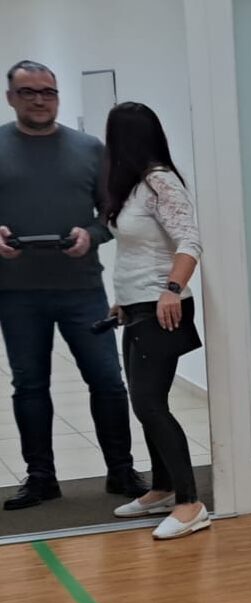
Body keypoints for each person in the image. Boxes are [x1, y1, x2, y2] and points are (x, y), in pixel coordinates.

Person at [0, 60, 146, 511]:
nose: (39, 100)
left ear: (58, 96)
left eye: (48, 91)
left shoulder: (89, 149)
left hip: (82, 290)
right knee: (29, 386)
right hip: (16, 293)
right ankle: (41, 478)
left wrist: (91, 235)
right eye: (28, 92)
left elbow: (111, 214)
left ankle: (121, 471)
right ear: (11, 97)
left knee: (107, 381)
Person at [103, 101, 208, 540]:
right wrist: (123, 300)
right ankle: (163, 488)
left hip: (163, 307)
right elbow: (137, 251)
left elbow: (190, 241)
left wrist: (171, 289)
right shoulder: (133, 187)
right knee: (144, 402)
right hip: (138, 308)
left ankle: (190, 503)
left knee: (151, 404)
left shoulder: (160, 181)